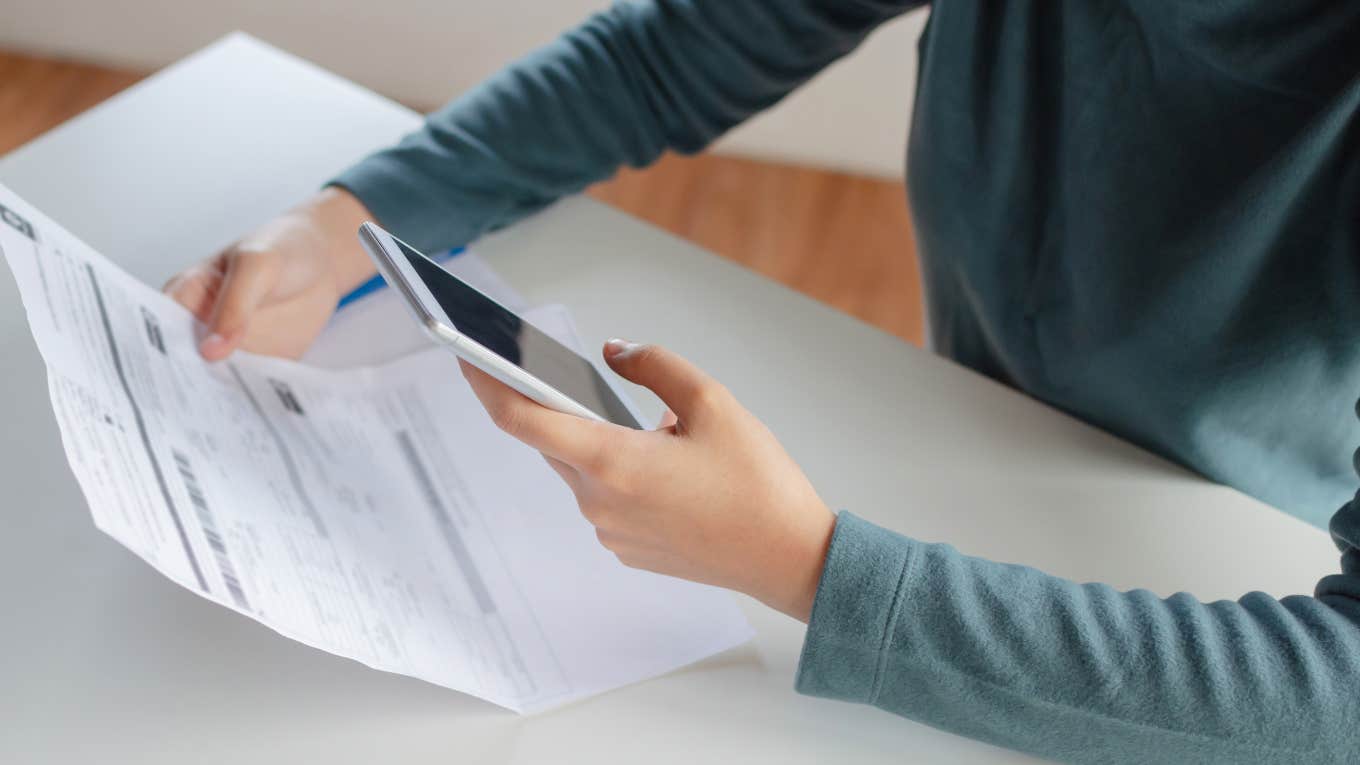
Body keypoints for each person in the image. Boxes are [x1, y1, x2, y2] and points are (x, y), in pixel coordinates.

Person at [163, 2, 1360, 762]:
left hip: (1203, 570)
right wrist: (355, 218)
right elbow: (672, 52)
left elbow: (1337, 696)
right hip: (967, 438)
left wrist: (804, 568)